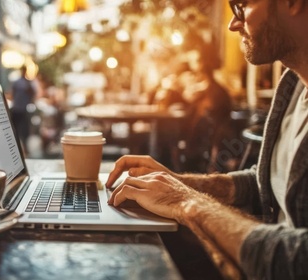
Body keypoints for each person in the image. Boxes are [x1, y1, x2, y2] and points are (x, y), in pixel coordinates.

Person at [106, 0, 308, 279]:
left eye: (242, 5)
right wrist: (178, 183)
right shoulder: (293, 85)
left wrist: (187, 202)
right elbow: (267, 184)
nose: (232, 23)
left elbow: (299, 262)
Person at [9, 66, 36, 152]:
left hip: (24, 109)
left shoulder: (28, 83)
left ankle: (24, 147)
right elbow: (12, 93)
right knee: (15, 129)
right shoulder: (17, 82)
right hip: (17, 108)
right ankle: (16, 147)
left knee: (25, 130)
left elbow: (32, 94)